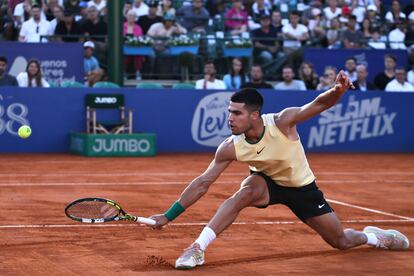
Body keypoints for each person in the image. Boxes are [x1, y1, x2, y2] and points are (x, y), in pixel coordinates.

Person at [149, 72, 410, 270]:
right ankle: (197, 248)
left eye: (237, 113)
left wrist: (337, 89)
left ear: (254, 115)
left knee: (340, 241)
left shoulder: (282, 123)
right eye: (229, 112)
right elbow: (203, 182)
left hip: (302, 188)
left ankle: (374, 238)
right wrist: (168, 215)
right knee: (243, 193)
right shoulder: (231, 146)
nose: (230, 118)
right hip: (267, 182)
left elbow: (318, 104)